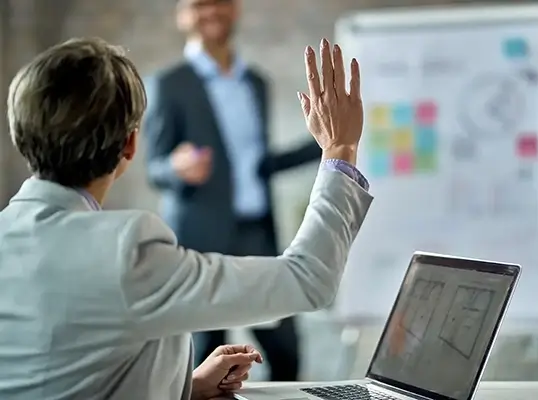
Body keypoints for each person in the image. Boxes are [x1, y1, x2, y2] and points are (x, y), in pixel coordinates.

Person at [0, 35, 370, 400]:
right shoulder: (127, 251)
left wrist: (185, 386)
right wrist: (340, 147)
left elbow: (64, 375)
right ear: (130, 144)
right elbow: (308, 280)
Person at [143, 0, 321, 379]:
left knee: (286, 350)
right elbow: (154, 168)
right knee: (206, 355)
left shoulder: (255, 83)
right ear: (182, 15)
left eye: (220, 2)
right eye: (199, 4)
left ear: (236, 9)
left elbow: (257, 166)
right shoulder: (169, 83)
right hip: (199, 240)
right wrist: (177, 168)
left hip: (257, 234)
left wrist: (324, 143)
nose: (212, 11)